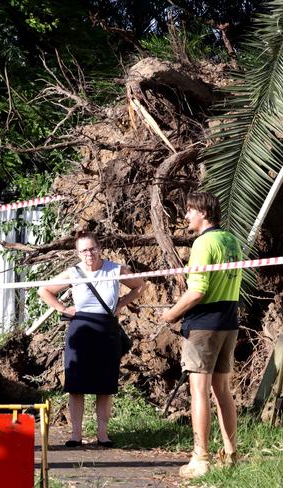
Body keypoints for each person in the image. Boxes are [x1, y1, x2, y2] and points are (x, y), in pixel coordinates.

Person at [160, 192, 242, 479]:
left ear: (203, 213)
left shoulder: (202, 243)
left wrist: (171, 314)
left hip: (204, 324)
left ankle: (201, 458)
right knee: (222, 391)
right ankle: (231, 453)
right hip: (229, 321)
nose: (186, 217)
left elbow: (198, 291)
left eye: (189, 211)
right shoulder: (231, 240)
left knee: (199, 391)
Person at [38, 230, 146, 447]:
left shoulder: (115, 269)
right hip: (80, 329)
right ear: (78, 253)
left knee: (104, 386)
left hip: (106, 329)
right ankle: (75, 435)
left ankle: (102, 435)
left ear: (99, 248)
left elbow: (140, 285)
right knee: (76, 385)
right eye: (84, 250)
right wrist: (62, 308)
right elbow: (44, 290)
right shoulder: (74, 272)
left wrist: (121, 304)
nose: (89, 254)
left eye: (92, 249)